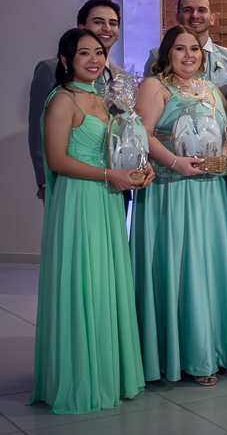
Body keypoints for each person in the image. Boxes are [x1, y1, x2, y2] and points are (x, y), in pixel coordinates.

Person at [29, 28, 151, 414]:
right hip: (80, 198)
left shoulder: (102, 98)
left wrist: (139, 166)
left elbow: (118, 149)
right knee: (84, 279)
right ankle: (81, 376)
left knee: (104, 281)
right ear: (66, 60)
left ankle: (106, 371)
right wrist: (109, 175)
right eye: (84, 53)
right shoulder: (61, 99)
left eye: (98, 52)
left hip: (107, 197)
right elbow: (56, 160)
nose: (94, 59)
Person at [132, 26, 227, 385]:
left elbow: (224, 135)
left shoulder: (211, 89)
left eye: (194, 49)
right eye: (180, 49)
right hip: (170, 189)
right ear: (167, 53)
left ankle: (207, 350)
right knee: (178, 264)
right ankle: (175, 354)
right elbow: (143, 133)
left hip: (208, 189)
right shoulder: (154, 86)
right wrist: (175, 162)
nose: (189, 55)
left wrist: (222, 156)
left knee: (206, 265)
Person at [29, 0, 126, 200]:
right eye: (98, 22)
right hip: (73, 184)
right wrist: (45, 182)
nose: (107, 28)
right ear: (81, 27)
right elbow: (39, 131)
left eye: (113, 23)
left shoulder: (122, 77)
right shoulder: (51, 68)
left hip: (117, 182)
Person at [144, 0, 227, 97]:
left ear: (212, 19)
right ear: (178, 18)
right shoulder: (158, 55)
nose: (195, 15)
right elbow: (148, 96)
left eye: (202, 10)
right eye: (187, 10)